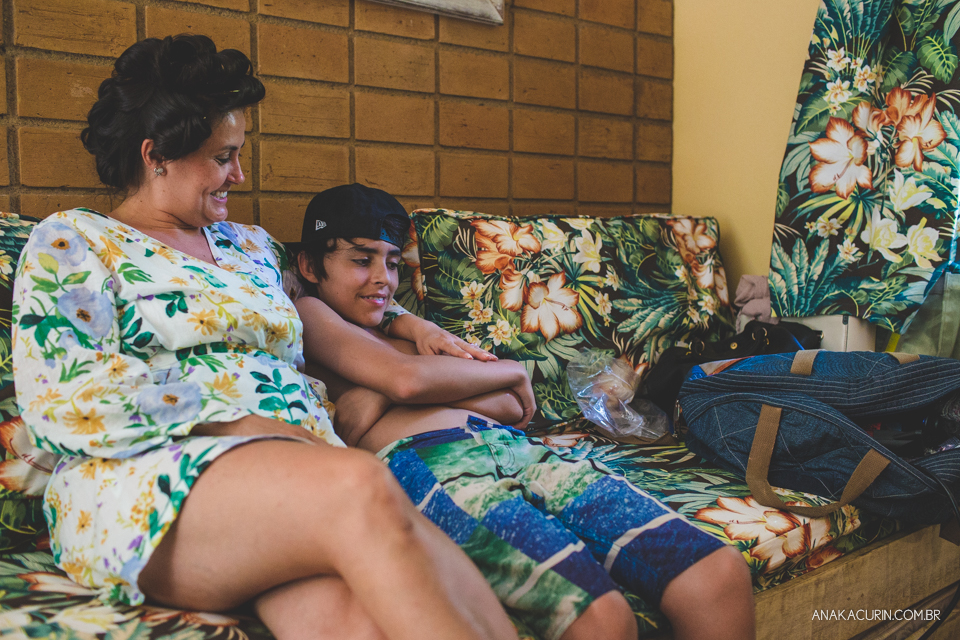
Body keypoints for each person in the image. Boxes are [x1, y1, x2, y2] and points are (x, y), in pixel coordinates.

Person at [11, 35, 519, 640]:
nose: (239, 173)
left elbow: (329, 308)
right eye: (223, 156)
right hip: (149, 475)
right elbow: (63, 391)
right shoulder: (75, 240)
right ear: (157, 156)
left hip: (292, 473)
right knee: (363, 484)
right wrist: (241, 424)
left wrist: (409, 324)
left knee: (357, 619)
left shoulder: (249, 246)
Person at [292, 183, 758, 640]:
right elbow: (411, 382)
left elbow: (509, 407)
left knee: (719, 574)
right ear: (311, 265)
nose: (382, 278)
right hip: (432, 461)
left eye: (392, 263)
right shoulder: (309, 312)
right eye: (360, 259)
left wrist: (386, 390)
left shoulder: (404, 328)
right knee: (602, 619)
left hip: (514, 446)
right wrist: (503, 371)